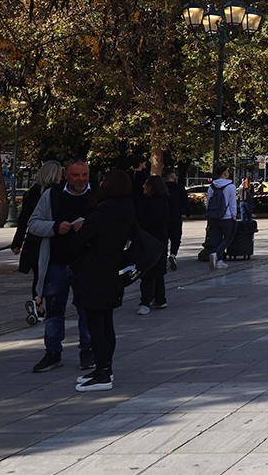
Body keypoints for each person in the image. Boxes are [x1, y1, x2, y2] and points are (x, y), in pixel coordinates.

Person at [64, 170, 136, 391]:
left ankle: (103, 373)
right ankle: (105, 368)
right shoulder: (127, 210)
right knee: (106, 323)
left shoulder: (101, 213)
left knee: (96, 325)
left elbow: (77, 244)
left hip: (94, 273)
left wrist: (82, 232)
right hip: (114, 272)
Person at [26, 157, 96, 373]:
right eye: (76, 175)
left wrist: (89, 226)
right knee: (54, 311)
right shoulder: (52, 195)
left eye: (84, 175)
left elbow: (110, 224)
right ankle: (53, 352)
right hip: (57, 263)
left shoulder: (97, 195)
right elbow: (33, 223)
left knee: (87, 311)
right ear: (66, 175)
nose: (81, 179)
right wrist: (55, 227)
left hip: (86, 264)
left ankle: (88, 351)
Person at [11, 160, 62, 322]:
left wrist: (17, 243)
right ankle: (39, 302)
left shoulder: (30, 193)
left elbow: (24, 220)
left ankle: (38, 305)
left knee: (38, 276)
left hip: (33, 241)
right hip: (51, 240)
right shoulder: (57, 193)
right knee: (50, 275)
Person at [135, 175, 171, 314]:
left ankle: (146, 301)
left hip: (152, 239)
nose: (143, 186)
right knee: (157, 269)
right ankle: (160, 298)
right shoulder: (154, 201)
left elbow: (149, 221)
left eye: (146, 184)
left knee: (149, 270)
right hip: (157, 238)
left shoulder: (156, 203)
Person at [204, 169, 237, 270]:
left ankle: (219, 260)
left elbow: (208, 203)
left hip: (214, 216)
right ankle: (217, 254)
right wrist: (234, 216)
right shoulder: (231, 187)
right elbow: (232, 203)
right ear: (225, 173)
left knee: (216, 238)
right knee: (228, 237)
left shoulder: (212, 187)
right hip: (226, 216)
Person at [164, 170, 188, 270]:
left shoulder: (161, 188)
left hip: (163, 216)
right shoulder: (179, 188)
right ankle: (173, 254)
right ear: (173, 177)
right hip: (175, 216)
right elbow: (185, 201)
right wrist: (188, 212)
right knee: (176, 238)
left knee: (164, 238)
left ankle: (163, 257)